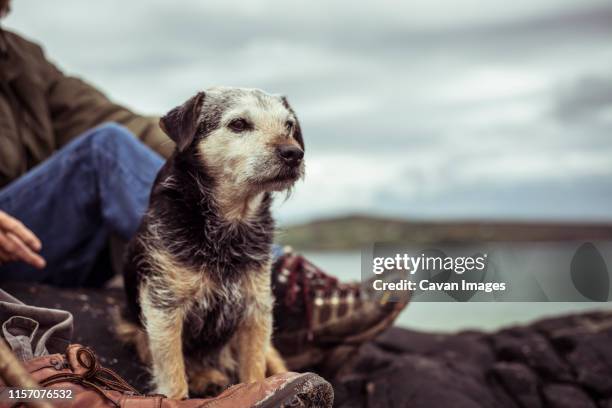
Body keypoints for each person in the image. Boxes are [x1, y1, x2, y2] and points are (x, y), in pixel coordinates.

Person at [0, 0, 405, 374]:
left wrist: (206, 145)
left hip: (42, 242)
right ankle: (293, 298)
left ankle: (261, 315)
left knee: (114, 141)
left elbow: (120, 123)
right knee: (103, 148)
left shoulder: (18, 54)